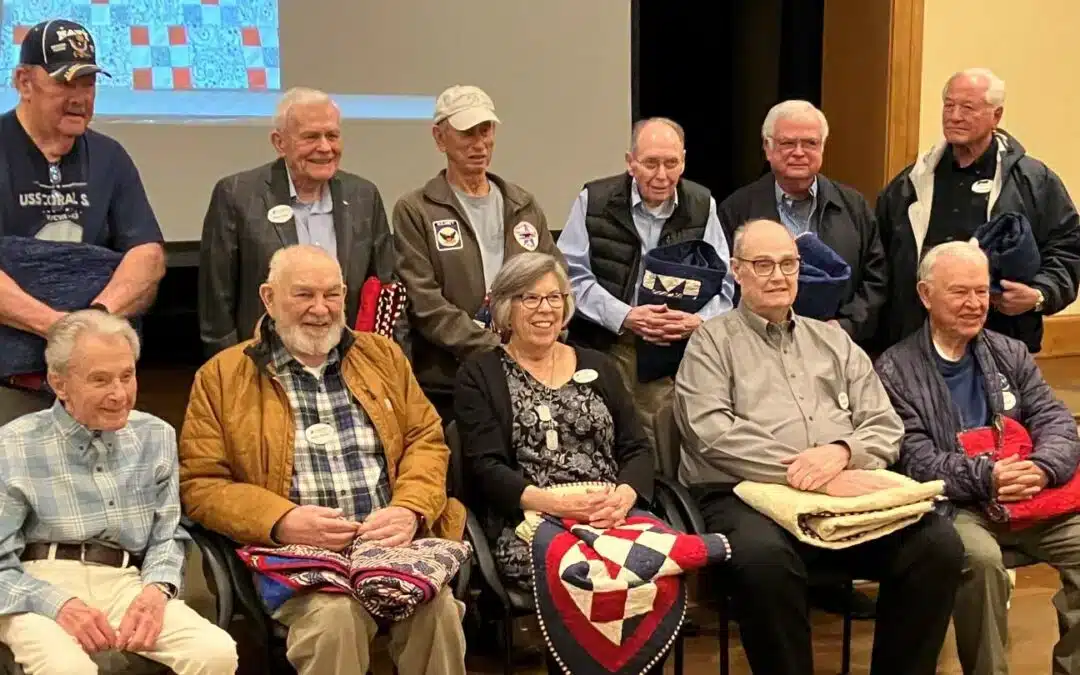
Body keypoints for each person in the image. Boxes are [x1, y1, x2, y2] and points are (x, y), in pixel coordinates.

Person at [673, 218, 964, 675]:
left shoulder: (832, 340)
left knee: (937, 543)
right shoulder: (710, 342)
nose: (778, 275)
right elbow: (710, 432)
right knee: (765, 560)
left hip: (842, 491)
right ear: (736, 271)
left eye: (788, 263)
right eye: (763, 264)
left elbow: (885, 426)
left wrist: (841, 453)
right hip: (742, 494)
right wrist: (809, 473)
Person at [179, 245, 467, 675]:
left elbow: (426, 440)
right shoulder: (221, 377)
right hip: (299, 557)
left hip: (392, 549)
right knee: (334, 620)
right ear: (268, 297)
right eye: (304, 295)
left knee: (437, 609)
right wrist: (281, 520)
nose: (321, 309)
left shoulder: (382, 357)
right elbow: (201, 484)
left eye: (332, 295)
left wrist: (409, 508)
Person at [454, 252, 667, 673]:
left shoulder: (599, 365)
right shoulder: (480, 374)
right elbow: (486, 467)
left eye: (555, 297)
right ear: (505, 308)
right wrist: (561, 507)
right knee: (581, 577)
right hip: (532, 522)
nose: (545, 309)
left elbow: (637, 450)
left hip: (612, 513)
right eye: (530, 298)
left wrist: (624, 497)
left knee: (654, 567)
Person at [875, 241, 1080, 675]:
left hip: (1029, 496)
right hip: (957, 506)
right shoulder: (894, 370)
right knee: (982, 563)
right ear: (926, 295)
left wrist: (1041, 468)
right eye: (959, 292)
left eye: (981, 292)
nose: (974, 304)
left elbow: (1056, 421)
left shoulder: (1011, 353)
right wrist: (987, 476)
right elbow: (914, 459)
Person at [0, 310, 237, 675]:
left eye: (127, 376)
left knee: (215, 652)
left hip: (125, 581)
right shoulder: (13, 444)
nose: (119, 394)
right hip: (35, 585)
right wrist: (57, 603)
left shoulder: (155, 436)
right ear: (59, 383)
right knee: (68, 669)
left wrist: (157, 591)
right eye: (100, 380)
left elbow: (167, 535)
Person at [0, 19, 165, 422]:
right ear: (24, 81)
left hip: (98, 388)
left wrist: (97, 318)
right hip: (9, 389)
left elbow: (147, 255)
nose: (79, 98)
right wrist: (58, 327)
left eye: (88, 84)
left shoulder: (111, 157)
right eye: (64, 84)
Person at [875, 67, 1080, 354]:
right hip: (917, 342)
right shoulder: (911, 182)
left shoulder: (1034, 181)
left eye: (968, 108)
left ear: (996, 116)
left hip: (1002, 340)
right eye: (949, 105)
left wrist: (1039, 295)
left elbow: (1068, 247)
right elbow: (879, 259)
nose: (955, 116)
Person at [558, 117, 733, 445]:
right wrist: (626, 316)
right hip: (606, 345)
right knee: (604, 439)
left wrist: (698, 321)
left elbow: (726, 284)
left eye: (672, 163)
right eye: (651, 163)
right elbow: (569, 277)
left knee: (666, 445)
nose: (662, 175)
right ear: (630, 162)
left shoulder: (701, 204)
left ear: (684, 161)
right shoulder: (594, 200)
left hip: (675, 352)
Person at [393, 84, 562, 421]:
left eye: (486, 131)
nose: (479, 143)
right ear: (439, 139)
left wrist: (541, 337)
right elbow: (423, 301)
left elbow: (556, 279)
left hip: (528, 371)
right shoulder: (416, 210)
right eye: (467, 133)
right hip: (449, 379)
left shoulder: (523, 205)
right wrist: (493, 348)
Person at [198, 87, 401, 357]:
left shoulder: (364, 196)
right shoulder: (237, 195)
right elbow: (216, 310)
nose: (325, 147)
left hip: (349, 364)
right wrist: (234, 376)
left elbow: (387, 291)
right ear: (279, 142)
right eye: (311, 137)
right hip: (265, 366)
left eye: (332, 135)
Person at [717, 100, 886, 348]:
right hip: (758, 347)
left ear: (823, 147)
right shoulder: (737, 209)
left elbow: (876, 279)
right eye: (787, 143)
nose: (799, 152)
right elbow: (726, 283)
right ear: (767, 147)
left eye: (810, 143)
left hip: (837, 345)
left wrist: (845, 326)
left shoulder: (854, 206)